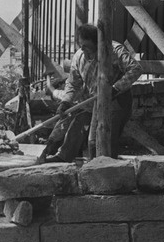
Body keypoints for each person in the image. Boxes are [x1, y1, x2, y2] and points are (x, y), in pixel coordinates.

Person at [42, 23, 142, 163]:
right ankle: (63, 158)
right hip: (91, 101)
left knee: (101, 140)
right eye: (80, 45)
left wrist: (115, 88)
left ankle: (105, 167)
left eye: (87, 46)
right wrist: (66, 101)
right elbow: (72, 84)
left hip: (116, 102)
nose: (82, 49)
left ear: (98, 43)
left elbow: (136, 69)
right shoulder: (79, 57)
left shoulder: (114, 50)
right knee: (77, 124)